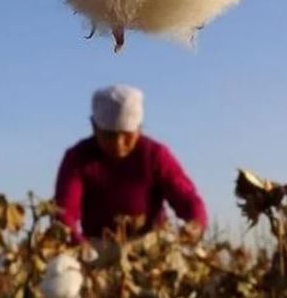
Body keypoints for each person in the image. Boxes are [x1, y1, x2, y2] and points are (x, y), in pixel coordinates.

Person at [53, 84, 207, 244]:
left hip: (150, 247)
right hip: (98, 248)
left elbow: (187, 198)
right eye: (109, 135)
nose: (119, 144)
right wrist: (80, 246)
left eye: (127, 135)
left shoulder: (154, 155)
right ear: (94, 127)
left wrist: (195, 224)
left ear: (139, 129)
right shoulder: (78, 158)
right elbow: (64, 213)